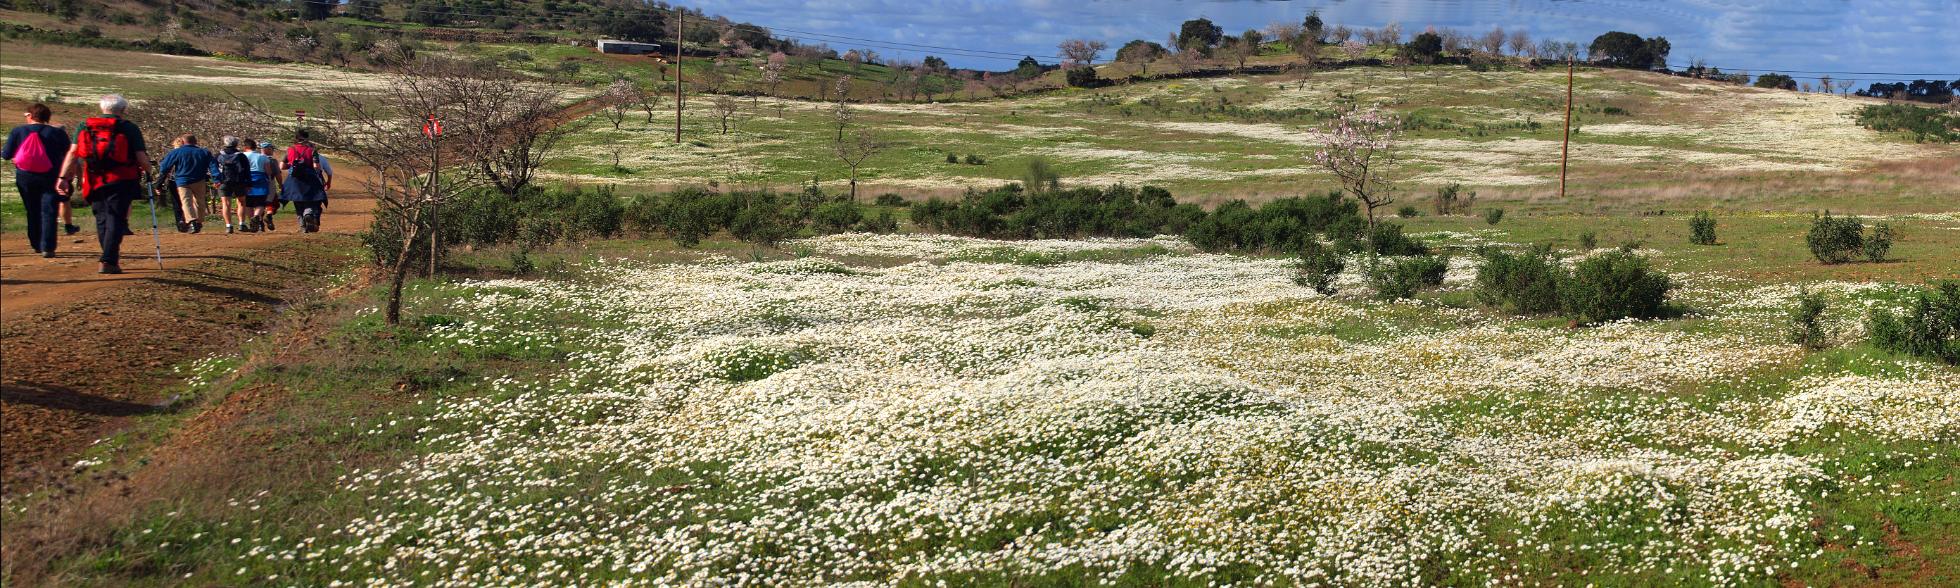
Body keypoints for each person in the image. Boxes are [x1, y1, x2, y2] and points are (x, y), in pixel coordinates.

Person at [54, 94, 148, 274]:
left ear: (102, 108)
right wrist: (149, 171)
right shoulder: (129, 128)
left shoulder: (85, 126)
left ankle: (107, 256)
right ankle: (108, 259)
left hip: (93, 179)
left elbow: (73, 153)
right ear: (123, 110)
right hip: (122, 178)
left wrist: (63, 178)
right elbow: (141, 157)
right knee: (116, 218)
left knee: (102, 217)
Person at [3, 103, 71, 258]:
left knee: (32, 210)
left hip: (25, 177)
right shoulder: (57, 133)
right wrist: (67, 176)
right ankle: (48, 247)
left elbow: (6, 154)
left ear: (30, 115)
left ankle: (36, 244)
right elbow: (69, 155)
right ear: (47, 117)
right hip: (52, 177)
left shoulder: (18, 131)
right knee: (49, 210)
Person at [156, 133, 216, 233]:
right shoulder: (204, 152)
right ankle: (199, 221)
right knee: (200, 202)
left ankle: (192, 221)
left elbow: (164, 166)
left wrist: (159, 182)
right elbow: (213, 165)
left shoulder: (176, 152)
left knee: (186, 201)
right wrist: (216, 178)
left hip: (182, 181)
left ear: (183, 142)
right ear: (195, 141)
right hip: (199, 180)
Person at [280, 130, 330, 233]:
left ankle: (303, 227)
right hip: (309, 179)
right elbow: (316, 166)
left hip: (294, 179)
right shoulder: (311, 150)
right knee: (311, 199)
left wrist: (293, 165)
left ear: (296, 138)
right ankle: (308, 213)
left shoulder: (290, 149)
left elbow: (281, 166)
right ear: (306, 139)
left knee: (297, 202)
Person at [212, 136, 252, 233]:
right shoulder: (241, 156)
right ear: (236, 144)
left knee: (226, 204)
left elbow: (214, 169)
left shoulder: (218, 155)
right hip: (239, 181)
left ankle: (228, 226)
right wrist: (249, 183)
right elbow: (247, 170)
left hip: (223, 182)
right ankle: (242, 224)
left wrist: (216, 180)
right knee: (241, 202)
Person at [244, 140, 282, 232]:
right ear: (267, 149)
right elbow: (273, 173)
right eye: (271, 149)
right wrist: (280, 184)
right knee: (265, 202)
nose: (272, 151)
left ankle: (255, 222)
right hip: (264, 181)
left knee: (249, 203)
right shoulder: (270, 160)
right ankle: (262, 218)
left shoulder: (244, 155)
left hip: (247, 180)